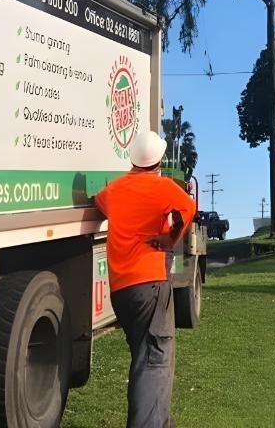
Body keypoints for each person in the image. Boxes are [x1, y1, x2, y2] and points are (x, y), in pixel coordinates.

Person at [95, 129, 196, 428]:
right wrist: (168, 239)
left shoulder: (114, 190)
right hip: (150, 285)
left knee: (144, 359)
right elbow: (187, 209)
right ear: (159, 160)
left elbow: (100, 203)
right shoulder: (162, 187)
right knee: (154, 362)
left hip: (122, 291)